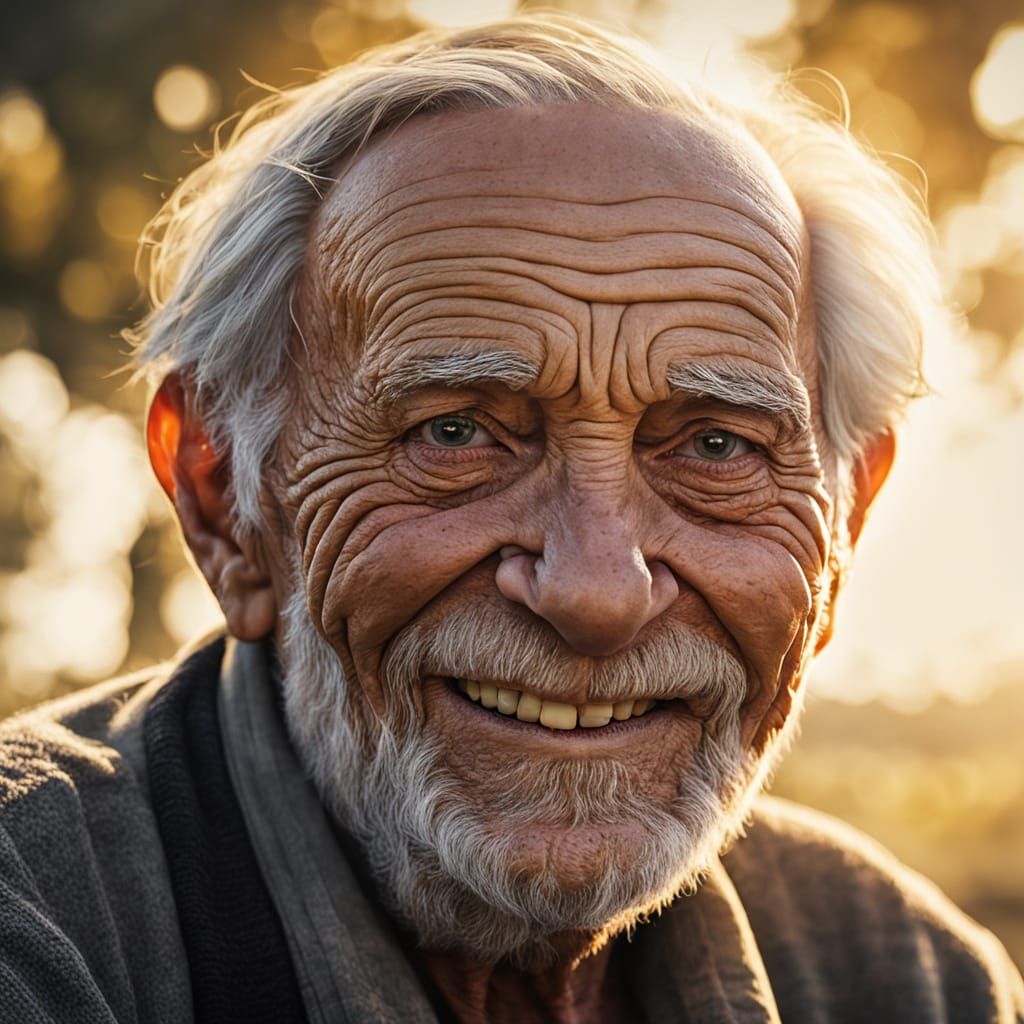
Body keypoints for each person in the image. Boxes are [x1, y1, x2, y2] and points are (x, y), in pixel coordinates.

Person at [0, 14, 1021, 1023]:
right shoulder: (40, 935)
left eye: (717, 446)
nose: (595, 590)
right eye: (455, 433)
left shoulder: (909, 981)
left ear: (845, 517)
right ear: (223, 495)